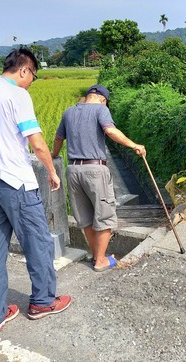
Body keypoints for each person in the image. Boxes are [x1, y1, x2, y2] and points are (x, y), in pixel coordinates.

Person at [0, 48, 71, 335]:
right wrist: (52, 171)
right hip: (14, 180)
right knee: (37, 241)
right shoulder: (17, 95)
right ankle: (42, 302)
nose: (31, 82)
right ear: (24, 70)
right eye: (33, 77)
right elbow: (36, 143)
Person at [52, 84, 146, 272]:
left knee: (85, 217)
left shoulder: (69, 112)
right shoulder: (101, 109)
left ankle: (97, 256)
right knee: (104, 214)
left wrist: (53, 157)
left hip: (72, 170)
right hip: (95, 170)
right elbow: (110, 131)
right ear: (103, 99)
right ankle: (101, 261)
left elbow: (58, 139)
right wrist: (134, 145)